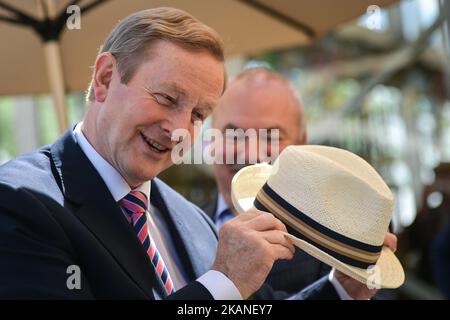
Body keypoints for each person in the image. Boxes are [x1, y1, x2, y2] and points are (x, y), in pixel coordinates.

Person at [0, 7, 383, 300]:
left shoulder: (190, 218)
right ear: (104, 79)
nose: (180, 130)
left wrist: (341, 290)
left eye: (199, 114)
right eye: (167, 98)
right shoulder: (19, 201)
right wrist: (222, 283)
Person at [203, 68, 333, 294]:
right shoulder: (173, 224)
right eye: (234, 134)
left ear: (301, 144)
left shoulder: (340, 235)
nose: (250, 154)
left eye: (270, 136)